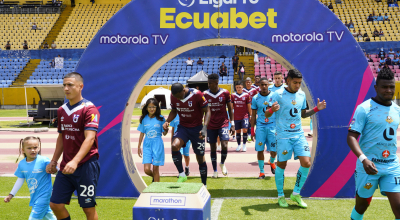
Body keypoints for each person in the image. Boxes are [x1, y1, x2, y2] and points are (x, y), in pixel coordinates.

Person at [265, 69, 326, 208]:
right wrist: (271, 110)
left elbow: (304, 114)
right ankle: (281, 195)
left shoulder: (302, 94)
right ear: (287, 81)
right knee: (282, 165)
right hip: (283, 136)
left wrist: (317, 109)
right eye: (295, 82)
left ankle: (296, 193)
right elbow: (267, 114)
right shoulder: (277, 94)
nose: (298, 85)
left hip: (298, 134)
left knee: (306, 163)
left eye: (299, 83)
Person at [46, 72, 101, 220]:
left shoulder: (89, 109)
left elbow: (89, 139)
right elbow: (62, 137)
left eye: (70, 85)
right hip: (66, 166)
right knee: (55, 204)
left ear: (80, 86)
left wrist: (75, 161)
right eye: (64, 85)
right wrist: (54, 161)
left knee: (88, 209)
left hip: (86, 166)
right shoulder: (61, 110)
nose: (66, 88)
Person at [347, 68, 400, 220]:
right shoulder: (364, 108)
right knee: (362, 206)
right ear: (376, 88)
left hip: (391, 165)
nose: (388, 90)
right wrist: (363, 159)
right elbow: (351, 136)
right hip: (369, 165)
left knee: (398, 207)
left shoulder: (397, 110)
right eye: (384, 87)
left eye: (391, 86)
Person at [163, 83, 211, 186]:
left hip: (197, 129)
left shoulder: (197, 94)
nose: (178, 98)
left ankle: (204, 184)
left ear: (183, 90)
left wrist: (204, 128)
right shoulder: (173, 96)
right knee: (174, 146)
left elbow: (207, 111)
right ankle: (182, 174)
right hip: (183, 127)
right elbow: (174, 110)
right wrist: (167, 121)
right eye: (176, 97)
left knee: (200, 157)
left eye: (179, 96)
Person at [4, 136, 57, 220]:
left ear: (39, 148)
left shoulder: (43, 160)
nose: (33, 150)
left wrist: (54, 169)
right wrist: (11, 194)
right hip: (34, 196)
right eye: (29, 148)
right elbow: (20, 179)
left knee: (34, 218)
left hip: (45, 196)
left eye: (35, 147)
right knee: (48, 216)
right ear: (23, 150)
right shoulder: (21, 164)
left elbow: (57, 171)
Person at [204, 74, 235, 178]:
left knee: (225, 145)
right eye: (208, 83)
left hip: (223, 123)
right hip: (210, 125)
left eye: (210, 83)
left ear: (217, 82)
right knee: (212, 148)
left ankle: (222, 163)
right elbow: (202, 111)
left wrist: (232, 124)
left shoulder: (225, 93)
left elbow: (230, 109)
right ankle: (215, 170)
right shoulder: (205, 94)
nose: (209, 85)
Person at [251, 78, 278, 179]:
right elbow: (253, 115)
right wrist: (252, 130)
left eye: (266, 85)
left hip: (272, 126)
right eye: (262, 85)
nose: (264, 87)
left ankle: (271, 161)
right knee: (260, 149)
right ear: (259, 85)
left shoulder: (274, 96)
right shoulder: (255, 98)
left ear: (268, 85)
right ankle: (262, 172)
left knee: (274, 149)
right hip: (261, 126)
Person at [137, 98, 168, 183]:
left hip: (157, 144)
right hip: (147, 145)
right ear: (146, 108)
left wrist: (166, 129)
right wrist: (139, 146)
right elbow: (142, 133)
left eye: (154, 107)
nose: (152, 109)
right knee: (146, 170)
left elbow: (164, 133)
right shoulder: (144, 119)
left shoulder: (161, 118)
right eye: (150, 107)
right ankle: (156, 178)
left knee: (155, 169)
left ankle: (156, 189)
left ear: (157, 108)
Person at [231, 80, 251, 152]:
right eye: (237, 87)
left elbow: (249, 106)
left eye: (240, 87)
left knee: (245, 129)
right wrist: (231, 118)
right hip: (236, 117)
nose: (238, 88)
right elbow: (231, 107)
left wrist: (250, 116)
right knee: (238, 131)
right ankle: (239, 145)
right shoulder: (233, 95)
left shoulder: (246, 95)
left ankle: (244, 145)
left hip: (244, 116)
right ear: (235, 88)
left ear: (242, 87)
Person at [243, 77, 258, 143]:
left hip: (253, 108)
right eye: (247, 82)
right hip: (245, 109)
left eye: (249, 82)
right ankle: (248, 135)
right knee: (247, 121)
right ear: (245, 83)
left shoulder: (254, 90)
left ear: (251, 83)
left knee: (253, 122)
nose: (248, 83)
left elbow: (257, 99)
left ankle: (253, 134)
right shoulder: (243, 90)